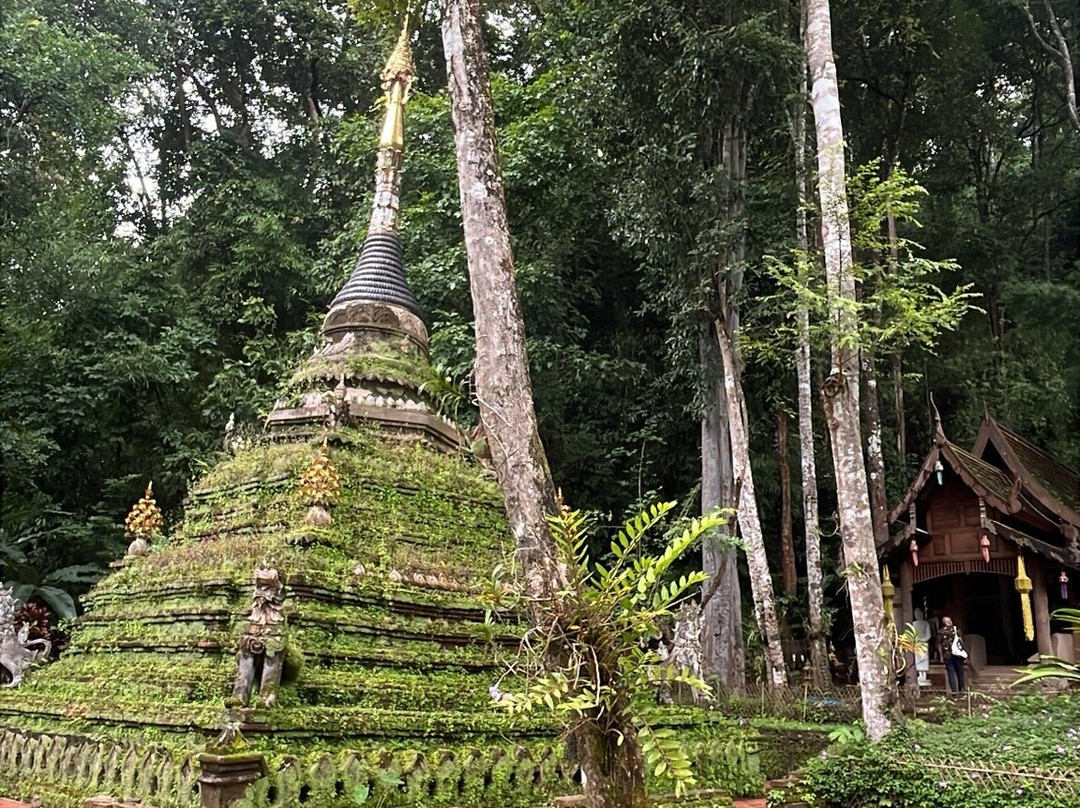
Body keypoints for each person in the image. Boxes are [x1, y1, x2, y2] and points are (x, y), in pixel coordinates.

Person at [937, 616, 966, 695]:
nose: (950, 622)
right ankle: (962, 691)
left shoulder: (941, 632)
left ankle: (955, 692)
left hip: (947, 655)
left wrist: (941, 656)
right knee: (960, 672)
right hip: (958, 654)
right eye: (949, 621)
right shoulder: (957, 630)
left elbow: (939, 645)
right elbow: (962, 642)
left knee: (951, 673)